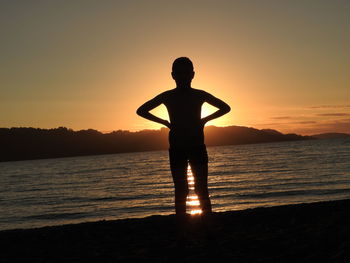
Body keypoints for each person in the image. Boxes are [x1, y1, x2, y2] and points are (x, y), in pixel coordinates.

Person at [137, 57, 230, 217]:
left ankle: (207, 220)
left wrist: (205, 120)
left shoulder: (199, 95)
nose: (183, 76)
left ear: (192, 74)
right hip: (177, 147)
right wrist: (164, 122)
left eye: (186, 73)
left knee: (201, 187)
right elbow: (141, 110)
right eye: (179, 73)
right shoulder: (168, 96)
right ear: (173, 75)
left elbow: (225, 107)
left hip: (196, 145)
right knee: (181, 188)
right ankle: (182, 222)